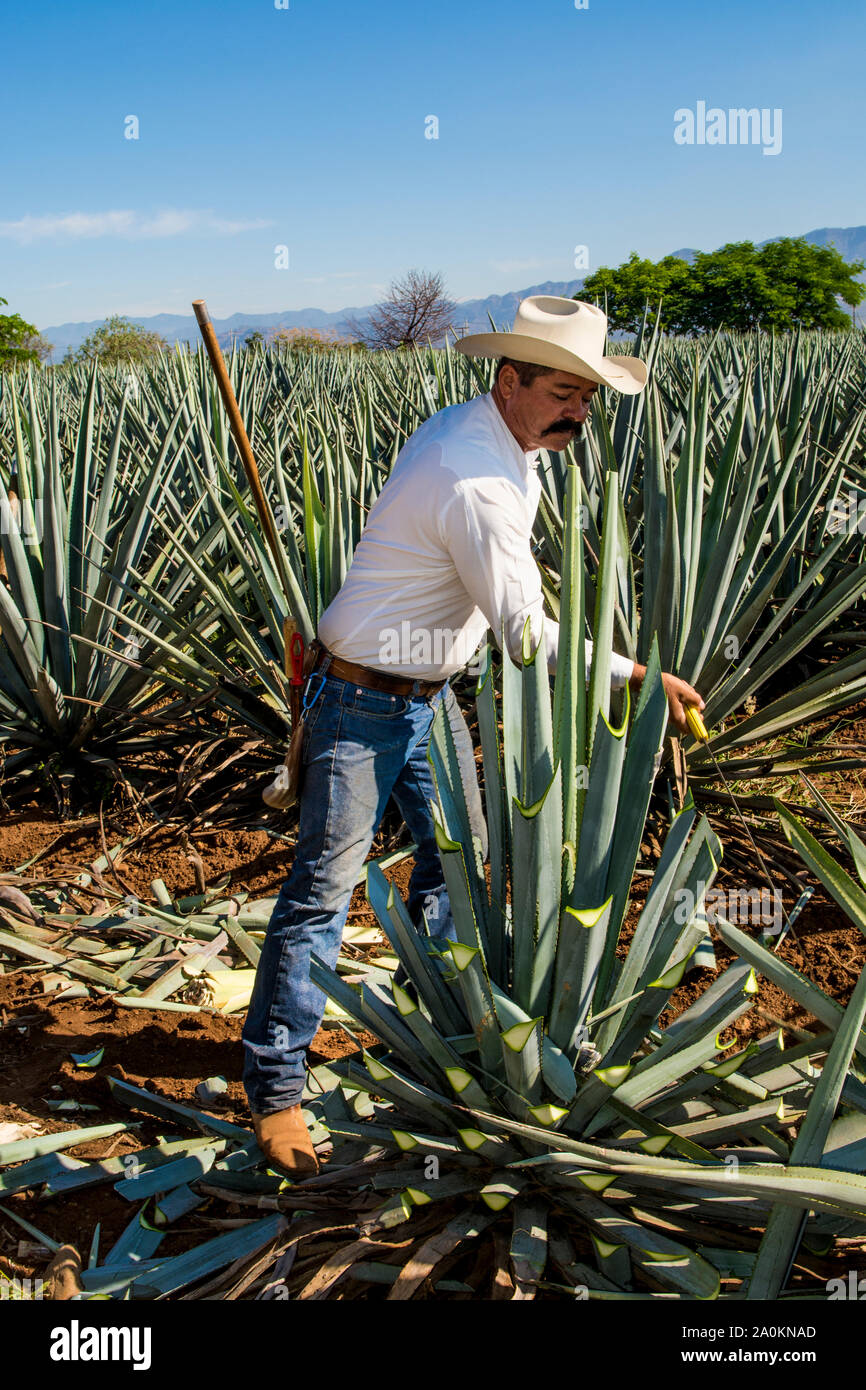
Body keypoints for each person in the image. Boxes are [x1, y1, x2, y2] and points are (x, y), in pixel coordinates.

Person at [242, 296, 705, 1174]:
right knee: (323, 892)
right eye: (564, 389)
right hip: (360, 702)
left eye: (588, 395)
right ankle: (276, 1093)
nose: (578, 409)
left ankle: (422, 1024)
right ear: (511, 378)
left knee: (459, 857)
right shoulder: (475, 474)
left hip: (424, 694)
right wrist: (638, 675)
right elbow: (526, 635)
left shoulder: (500, 440)